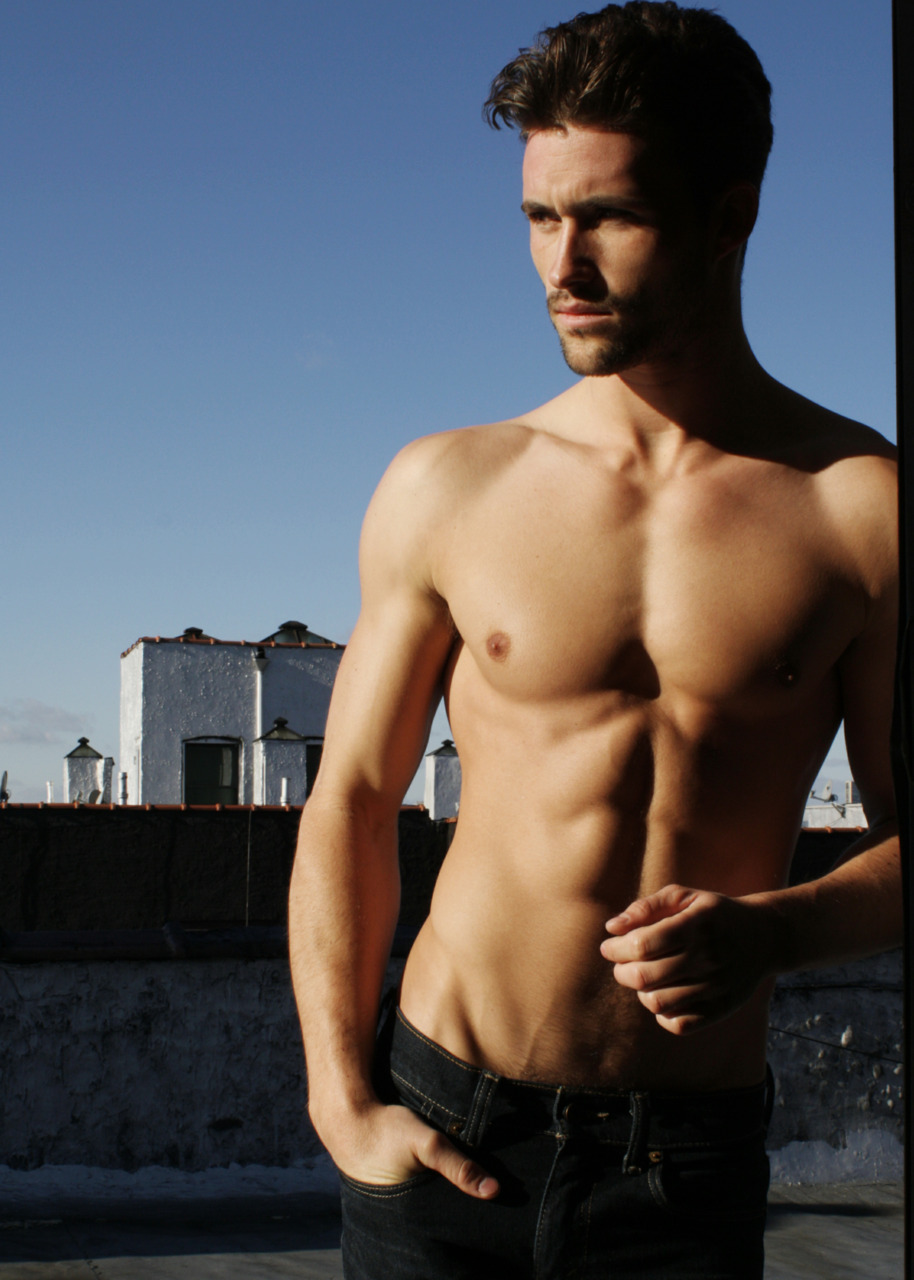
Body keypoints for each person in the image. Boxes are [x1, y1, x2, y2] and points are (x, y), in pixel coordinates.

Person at [288, 4, 900, 1277]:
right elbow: (350, 796)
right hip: (444, 1126)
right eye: (536, 217)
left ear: (728, 216)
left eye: (607, 216)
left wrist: (772, 932)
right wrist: (340, 1100)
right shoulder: (448, 486)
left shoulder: (859, 510)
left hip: (683, 1166)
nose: (560, 265)